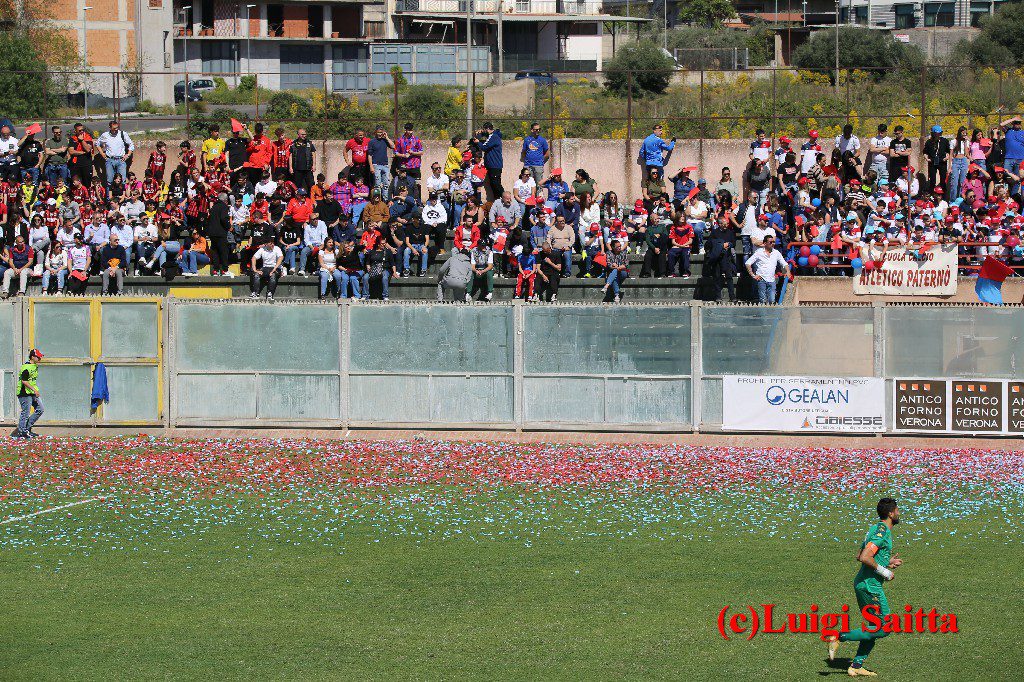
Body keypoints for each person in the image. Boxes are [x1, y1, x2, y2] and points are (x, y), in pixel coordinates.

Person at [825, 498, 904, 677]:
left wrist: (887, 561)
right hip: (870, 586)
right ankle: (839, 636)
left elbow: (860, 554)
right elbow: (864, 557)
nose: (899, 513)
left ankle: (856, 665)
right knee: (884, 628)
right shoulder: (882, 531)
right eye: (897, 510)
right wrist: (885, 571)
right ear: (891, 513)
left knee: (873, 627)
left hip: (864, 584)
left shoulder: (875, 528)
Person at [744, 234, 790, 304]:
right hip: (761, 279)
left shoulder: (776, 252)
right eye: (770, 242)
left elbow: (784, 263)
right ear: (765, 243)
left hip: (772, 280)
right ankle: (764, 314)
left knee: (772, 300)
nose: (773, 244)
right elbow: (748, 263)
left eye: (774, 242)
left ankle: (770, 315)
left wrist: (788, 272)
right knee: (763, 300)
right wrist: (753, 275)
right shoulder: (759, 252)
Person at [15, 348, 45, 439]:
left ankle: (26, 429)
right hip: (24, 393)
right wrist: (34, 390)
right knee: (25, 413)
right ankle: (22, 432)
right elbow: (24, 381)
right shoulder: (26, 367)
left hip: (32, 392)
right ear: (32, 357)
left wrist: (34, 390)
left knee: (40, 409)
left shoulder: (34, 366)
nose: (40, 359)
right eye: (38, 357)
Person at [96, 120, 134, 188]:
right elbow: (97, 144)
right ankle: (110, 197)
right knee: (110, 180)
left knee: (122, 180)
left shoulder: (123, 134)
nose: (116, 130)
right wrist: (102, 153)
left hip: (121, 160)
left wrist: (128, 155)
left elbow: (131, 144)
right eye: (114, 128)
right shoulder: (105, 135)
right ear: (110, 127)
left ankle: (122, 197)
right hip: (109, 160)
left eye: (117, 128)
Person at [206, 191, 233, 276]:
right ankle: (225, 270)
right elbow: (223, 219)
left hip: (212, 233)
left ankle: (215, 270)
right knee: (223, 251)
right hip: (220, 232)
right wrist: (229, 227)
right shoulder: (223, 207)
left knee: (215, 251)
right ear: (225, 200)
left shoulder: (214, 207)